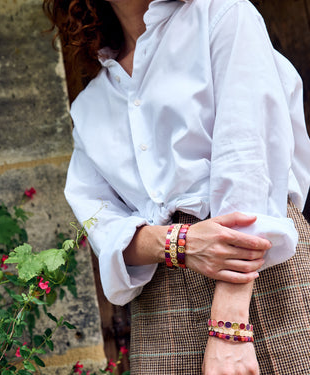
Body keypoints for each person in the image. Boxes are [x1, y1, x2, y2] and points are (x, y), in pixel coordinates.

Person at [44, 0, 310, 374]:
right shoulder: (90, 106)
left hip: (262, 277)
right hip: (161, 304)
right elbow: (103, 227)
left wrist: (230, 325)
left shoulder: (222, 15)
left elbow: (248, 162)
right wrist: (178, 244)